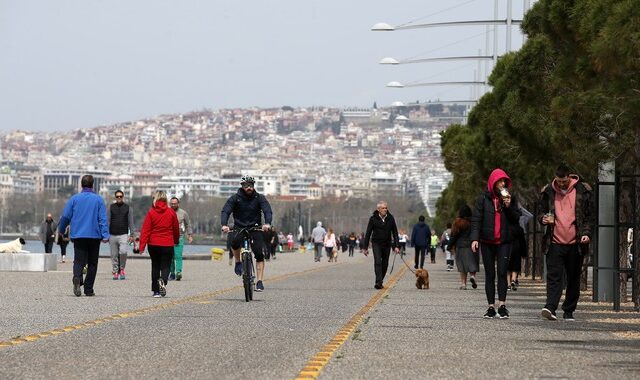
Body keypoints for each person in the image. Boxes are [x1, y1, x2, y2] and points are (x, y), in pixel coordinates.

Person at [539, 164, 593, 321]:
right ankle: (550, 307)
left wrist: (587, 234)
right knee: (554, 276)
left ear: (570, 177)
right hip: (554, 241)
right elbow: (541, 212)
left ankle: (569, 310)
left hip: (575, 243)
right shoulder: (548, 191)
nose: (561, 184)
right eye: (558, 181)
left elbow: (590, 216)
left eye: (564, 181)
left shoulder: (583, 190)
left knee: (573, 277)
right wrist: (543, 219)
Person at [471, 168, 521, 319]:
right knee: (490, 274)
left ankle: (502, 305)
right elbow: (476, 219)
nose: (502, 183)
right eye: (499, 181)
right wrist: (474, 238)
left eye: (504, 181)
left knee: (502, 273)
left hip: (504, 242)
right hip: (487, 242)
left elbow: (516, 218)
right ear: (493, 183)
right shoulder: (483, 199)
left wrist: (508, 205)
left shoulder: (511, 199)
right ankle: (491, 306)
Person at [58, 175, 110, 297]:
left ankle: (77, 277)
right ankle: (88, 288)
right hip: (94, 235)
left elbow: (65, 216)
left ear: (81, 185)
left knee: (78, 260)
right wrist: (105, 235)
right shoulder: (98, 200)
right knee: (92, 263)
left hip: (78, 235)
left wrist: (61, 229)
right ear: (93, 185)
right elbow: (102, 219)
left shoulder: (74, 199)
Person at [221, 176, 273, 292]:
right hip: (239, 227)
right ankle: (238, 262)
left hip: (255, 228)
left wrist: (268, 223)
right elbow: (226, 211)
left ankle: (259, 281)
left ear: (254, 186)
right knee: (234, 243)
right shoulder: (235, 198)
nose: (249, 187)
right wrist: (224, 224)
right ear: (242, 186)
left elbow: (267, 211)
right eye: (246, 185)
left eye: (251, 185)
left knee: (259, 253)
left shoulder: (259, 198)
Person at [139, 191, 180, 298]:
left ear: (155, 199)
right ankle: (163, 280)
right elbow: (176, 229)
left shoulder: (151, 212)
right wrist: (176, 240)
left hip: (153, 244)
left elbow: (145, 230)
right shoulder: (171, 212)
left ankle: (156, 291)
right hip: (167, 243)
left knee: (155, 266)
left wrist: (141, 247)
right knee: (166, 266)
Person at [363, 201, 400, 289]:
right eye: (383, 208)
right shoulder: (373, 219)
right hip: (376, 243)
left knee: (385, 263)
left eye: (386, 208)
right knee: (378, 262)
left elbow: (395, 232)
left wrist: (396, 246)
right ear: (378, 209)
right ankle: (378, 282)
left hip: (387, 244)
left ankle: (380, 280)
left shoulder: (391, 218)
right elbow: (368, 233)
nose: (385, 210)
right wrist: (365, 247)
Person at [108, 190, 135, 280]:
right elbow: (107, 221)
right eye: (117, 196)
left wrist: (132, 234)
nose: (119, 198)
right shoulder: (111, 207)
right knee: (114, 254)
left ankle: (122, 269)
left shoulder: (128, 208)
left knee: (123, 252)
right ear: (115, 197)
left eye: (120, 196)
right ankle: (115, 271)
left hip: (123, 234)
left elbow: (131, 221)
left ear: (123, 197)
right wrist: (105, 233)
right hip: (112, 234)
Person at [449, 205, 479, 290]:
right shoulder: (474, 222)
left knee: (462, 266)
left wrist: (449, 246)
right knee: (472, 263)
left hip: (461, 246)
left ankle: (463, 284)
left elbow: (454, 235)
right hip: (472, 245)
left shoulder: (457, 222)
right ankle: (472, 276)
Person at [169, 197, 193, 281]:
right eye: (171, 203)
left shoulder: (183, 213)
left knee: (178, 255)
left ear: (178, 204)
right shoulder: (167, 212)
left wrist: (189, 235)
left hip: (180, 237)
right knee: (170, 256)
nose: (173, 205)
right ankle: (172, 273)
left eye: (175, 203)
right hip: (168, 237)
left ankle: (178, 272)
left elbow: (187, 224)